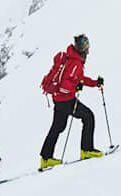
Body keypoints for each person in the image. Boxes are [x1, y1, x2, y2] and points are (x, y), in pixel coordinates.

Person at [38, 34, 105, 170]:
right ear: (82, 48)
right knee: (88, 117)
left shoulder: (72, 58)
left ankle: (46, 159)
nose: (88, 50)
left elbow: (78, 78)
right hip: (66, 101)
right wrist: (76, 87)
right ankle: (86, 150)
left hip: (58, 100)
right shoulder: (75, 62)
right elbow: (66, 85)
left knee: (58, 127)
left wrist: (94, 83)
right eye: (86, 47)